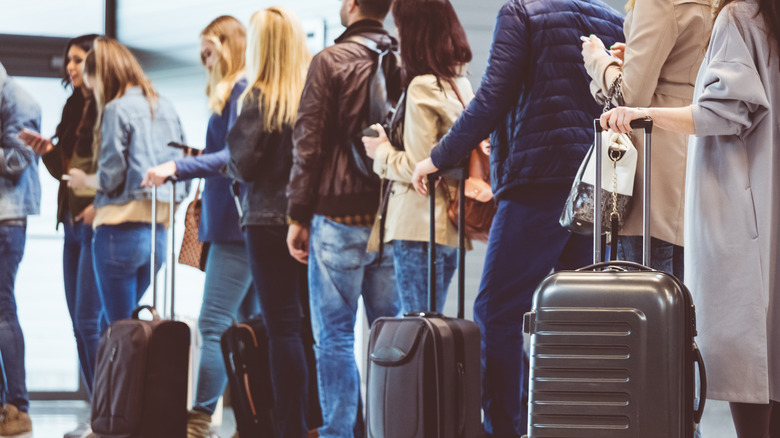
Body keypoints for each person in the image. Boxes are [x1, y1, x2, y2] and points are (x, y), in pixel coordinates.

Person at [410, 0, 624, 435]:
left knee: (497, 310)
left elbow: (493, 96)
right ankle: (570, 423)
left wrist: (437, 158)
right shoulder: (610, 16)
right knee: (575, 314)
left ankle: (503, 428)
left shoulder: (522, 12)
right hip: (596, 183)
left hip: (537, 182)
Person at [600, 0, 780, 434]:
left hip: (738, 202)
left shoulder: (741, 17)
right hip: (762, 199)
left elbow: (724, 111)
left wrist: (643, 112)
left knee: (739, 357)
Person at [285, 0, 402, 435]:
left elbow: (308, 142)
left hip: (337, 216)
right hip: (392, 217)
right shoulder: (403, 59)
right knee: (391, 337)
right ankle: (390, 428)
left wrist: (297, 214)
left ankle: (337, 433)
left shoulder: (329, 61)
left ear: (352, 5)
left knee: (333, 336)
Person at [141, 16, 258, 437]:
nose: (203, 60)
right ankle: (251, 417)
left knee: (214, 324)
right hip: (234, 227)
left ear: (226, 46)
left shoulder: (242, 91)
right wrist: (198, 158)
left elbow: (232, 157)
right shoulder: (238, 94)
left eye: (208, 51)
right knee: (247, 327)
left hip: (235, 229)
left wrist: (179, 165)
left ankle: (200, 419)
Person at [221, 7, 312, 437]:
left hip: (266, 222)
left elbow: (241, 163)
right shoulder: (314, 93)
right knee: (314, 330)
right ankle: (320, 424)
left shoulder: (257, 97)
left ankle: (289, 428)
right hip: (312, 220)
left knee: (282, 330)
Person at [18, 34, 109, 438]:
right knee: (78, 320)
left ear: (97, 61)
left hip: (98, 221)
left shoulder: (111, 107)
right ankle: (99, 409)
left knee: (91, 321)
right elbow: (66, 172)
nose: (70, 67)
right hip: (71, 221)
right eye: (68, 61)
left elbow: (111, 170)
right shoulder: (74, 105)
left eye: (78, 60)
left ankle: (107, 412)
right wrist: (46, 151)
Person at [581, 0, 713, 279]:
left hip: (650, 165)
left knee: (643, 300)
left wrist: (597, 60)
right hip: (693, 155)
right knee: (681, 300)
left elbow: (630, 97)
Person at [362, 0, 474, 314]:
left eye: (400, 25)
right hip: (449, 224)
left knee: (417, 327)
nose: (396, 34)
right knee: (432, 326)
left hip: (418, 223)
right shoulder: (459, 83)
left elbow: (420, 165)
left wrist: (381, 152)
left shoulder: (422, 87)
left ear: (414, 31)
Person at [68, 37, 187, 325]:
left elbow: (110, 177)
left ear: (102, 76)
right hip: (157, 236)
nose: (93, 91)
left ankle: (109, 374)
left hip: (117, 233)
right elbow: (183, 169)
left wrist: (85, 180)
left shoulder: (116, 109)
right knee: (131, 331)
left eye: (92, 82)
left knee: (114, 331)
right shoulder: (165, 106)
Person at [0, 61, 41, 438]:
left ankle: (19, 407)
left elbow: (16, 161)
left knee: (3, 309)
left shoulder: (20, 101)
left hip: (7, 221)